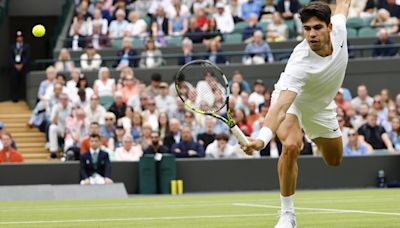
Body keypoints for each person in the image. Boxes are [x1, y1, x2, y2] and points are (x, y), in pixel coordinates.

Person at [241, 2, 352, 228]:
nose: (312, 34)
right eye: (307, 28)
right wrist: (262, 139)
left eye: (317, 27)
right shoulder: (299, 63)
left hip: (321, 107)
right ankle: (287, 214)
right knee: (291, 146)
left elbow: (344, 3)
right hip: (293, 103)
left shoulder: (340, 28)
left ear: (330, 27)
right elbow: (280, 107)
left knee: (334, 160)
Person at [9, 30, 30, 102]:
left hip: (24, 67)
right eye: (18, 37)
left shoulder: (26, 46)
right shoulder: (12, 47)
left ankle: (25, 97)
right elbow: (10, 57)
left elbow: (27, 57)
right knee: (14, 82)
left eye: (20, 37)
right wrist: (15, 65)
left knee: (24, 82)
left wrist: (22, 64)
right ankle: (15, 97)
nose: (19, 38)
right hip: (14, 68)